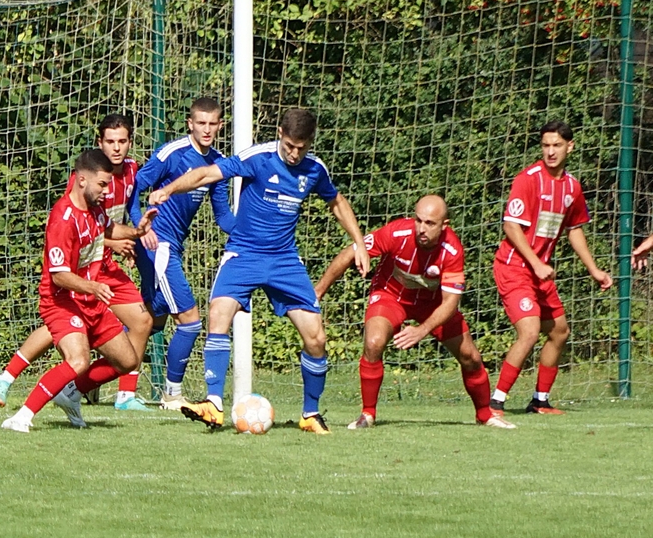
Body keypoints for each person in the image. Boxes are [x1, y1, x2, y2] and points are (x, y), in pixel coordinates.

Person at [149, 108, 370, 434]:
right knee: (218, 313)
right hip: (244, 254)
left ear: (311, 142)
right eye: (290, 145)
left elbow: (336, 202)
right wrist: (169, 190)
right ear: (280, 133)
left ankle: (310, 414)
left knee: (316, 337)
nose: (294, 154)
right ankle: (214, 404)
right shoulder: (257, 158)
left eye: (302, 148)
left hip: (284, 260)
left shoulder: (314, 169)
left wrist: (359, 243)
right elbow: (207, 174)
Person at [0, 114, 154, 411]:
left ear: (131, 142)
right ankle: (9, 379)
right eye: (110, 141)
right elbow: (75, 227)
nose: (116, 148)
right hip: (82, 268)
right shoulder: (83, 183)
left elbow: (110, 220)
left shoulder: (131, 171)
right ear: (100, 143)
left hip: (105, 266)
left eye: (122, 141)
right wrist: (111, 244)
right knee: (64, 326)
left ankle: (122, 394)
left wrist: (136, 231)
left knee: (141, 321)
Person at [314, 195, 516, 430]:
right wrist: (318, 292)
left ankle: (485, 415)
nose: (421, 228)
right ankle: (367, 414)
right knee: (373, 342)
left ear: (444, 225)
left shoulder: (452, 251)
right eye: (418, 220)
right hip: (391, 296)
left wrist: (422, 330)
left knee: (470, 357)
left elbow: (450, 303)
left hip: (433, 305)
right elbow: (352, 251)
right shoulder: (397, 233)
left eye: (430, 223)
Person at [490, 121, 613, 416]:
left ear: (570, 146)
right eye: (546, 145)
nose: (550, 151)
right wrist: (536, 263)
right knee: (530, 331)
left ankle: (540, 401)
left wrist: (594, 270)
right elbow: (510, 226)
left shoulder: (572, 187)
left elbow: (574, 229)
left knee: (559, 331)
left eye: (556, 145)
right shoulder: (528, 179)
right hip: (514, 267)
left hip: (539, 272)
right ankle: (495, 403)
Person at [127, 97, 235, 410]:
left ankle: (89, 375)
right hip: (157, 245)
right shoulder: (172, 153)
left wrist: (251, 231)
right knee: (190, 320)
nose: (207, 129)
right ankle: (172, 394)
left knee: (149, 319)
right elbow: (133, 189)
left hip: (173, 247)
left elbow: (223, 216)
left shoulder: (216, 164)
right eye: (201, 123)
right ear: (190, 124)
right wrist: (141, 227)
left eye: (212, 124)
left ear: (220, 125)